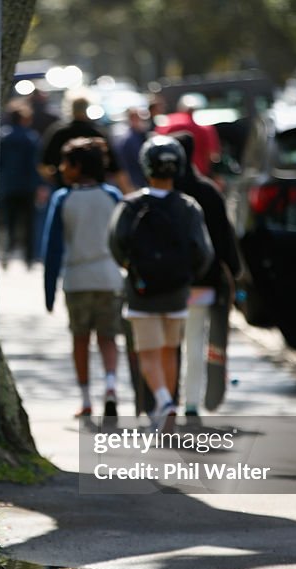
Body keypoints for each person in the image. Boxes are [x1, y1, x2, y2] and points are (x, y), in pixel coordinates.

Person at [109, 135, 214, 425]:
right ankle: (168, 408)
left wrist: (132, 269)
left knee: (148, 353)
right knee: (170, 350)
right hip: (178, 292)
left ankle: (164, 402)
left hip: (142, 292)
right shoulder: (188, 207)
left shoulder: (130, 206)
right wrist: (187, 276)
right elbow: (203, 251)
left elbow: (116, 244)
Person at [42, 137, 125, 418]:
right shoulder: (112, 196)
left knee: (80, 339)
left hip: (77, 279)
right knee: (109, 338)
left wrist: (49, 291)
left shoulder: (63, 198)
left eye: (66, 162)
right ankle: (111, 386)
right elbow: (122, 239)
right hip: (109, 277)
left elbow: (52, 248)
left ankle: (86, 399)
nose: (62, 168)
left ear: (77, 166)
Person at [171, 132, 242, 416]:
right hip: (205, 283)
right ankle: (191, 403)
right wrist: (234, 271)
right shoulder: (209, 191)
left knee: (170, 344)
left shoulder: (167, 192)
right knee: (197, 342)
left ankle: (168, 401)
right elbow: (226, 238)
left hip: (171, 284)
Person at [40, 94, 132, 193]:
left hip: (66, 189)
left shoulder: (58, 132)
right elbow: (116, 168)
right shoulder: (97, 132)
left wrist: (57, 181)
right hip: (97, 191)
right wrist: (127, 191)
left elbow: (44, 166)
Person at [0, 101, 42, 267]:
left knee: (7, 221)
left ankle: (5, 253)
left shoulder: (4, 137)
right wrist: (39, 185)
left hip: (8, 185)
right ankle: (30, 257)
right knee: (29, 222)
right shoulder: (31, 137)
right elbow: (34, 164)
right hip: (27, 186)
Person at [155, 93, 221, 178]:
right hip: (198, 174)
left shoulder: (167, 122)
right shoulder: (204, 127)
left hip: (170, 175)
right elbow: (212, 155)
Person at [115, 106, 152, 190]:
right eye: (136, 117)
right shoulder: (129, 139)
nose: (140, 120)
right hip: (135, 180)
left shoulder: (142, 134)